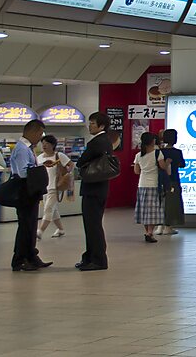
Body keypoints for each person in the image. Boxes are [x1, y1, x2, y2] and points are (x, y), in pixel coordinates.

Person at [76, 111, 115, 271]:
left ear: (101, 125)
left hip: (93, 188)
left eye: (92, 123)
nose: (89, 125)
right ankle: (90, 256)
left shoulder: (97, 142)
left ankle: (97, 259)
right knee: (93, 224)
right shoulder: (106, 141)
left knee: (92, 225)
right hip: (99, 187)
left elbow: (81, 161)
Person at [11, 120, 50, 271]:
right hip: (24, 190)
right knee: (26, 226)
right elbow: (22, 172)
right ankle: (21, 258)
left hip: (30, 191)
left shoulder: (27, 148)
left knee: (31, 225)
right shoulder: (22, 149)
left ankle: (31, 255)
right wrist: (37, 170)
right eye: (39, 134)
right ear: (32, 132)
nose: (40, 138)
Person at [36, 135, 72, 240]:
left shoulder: (59, 156)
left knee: (48, 208)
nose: (44, 146)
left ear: (53, 145)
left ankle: (40, 231)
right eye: (42, 144)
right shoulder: (39, 158)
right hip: (44, 188)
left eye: (47, 144)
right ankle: (61, 229)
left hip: (56, 187)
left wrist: (66, 174)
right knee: (53, 209)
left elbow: (71, 165)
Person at [133, 132, 165, 243]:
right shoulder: (157, 153)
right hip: (153, 185)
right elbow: (163, 166)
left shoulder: (138, 155)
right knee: (152, 210)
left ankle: (147, 231)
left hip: (141, 185)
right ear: (153, 141)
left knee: (144, 210)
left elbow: (136, 171)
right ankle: (150, 232)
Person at [156, 129, 185, 235]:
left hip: (160, 180)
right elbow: (182, 164)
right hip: (173, 180)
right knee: (172, 204)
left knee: (160, 203)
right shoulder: (177, 152)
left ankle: (159, 226)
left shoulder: (159, 152)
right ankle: (168, 226)